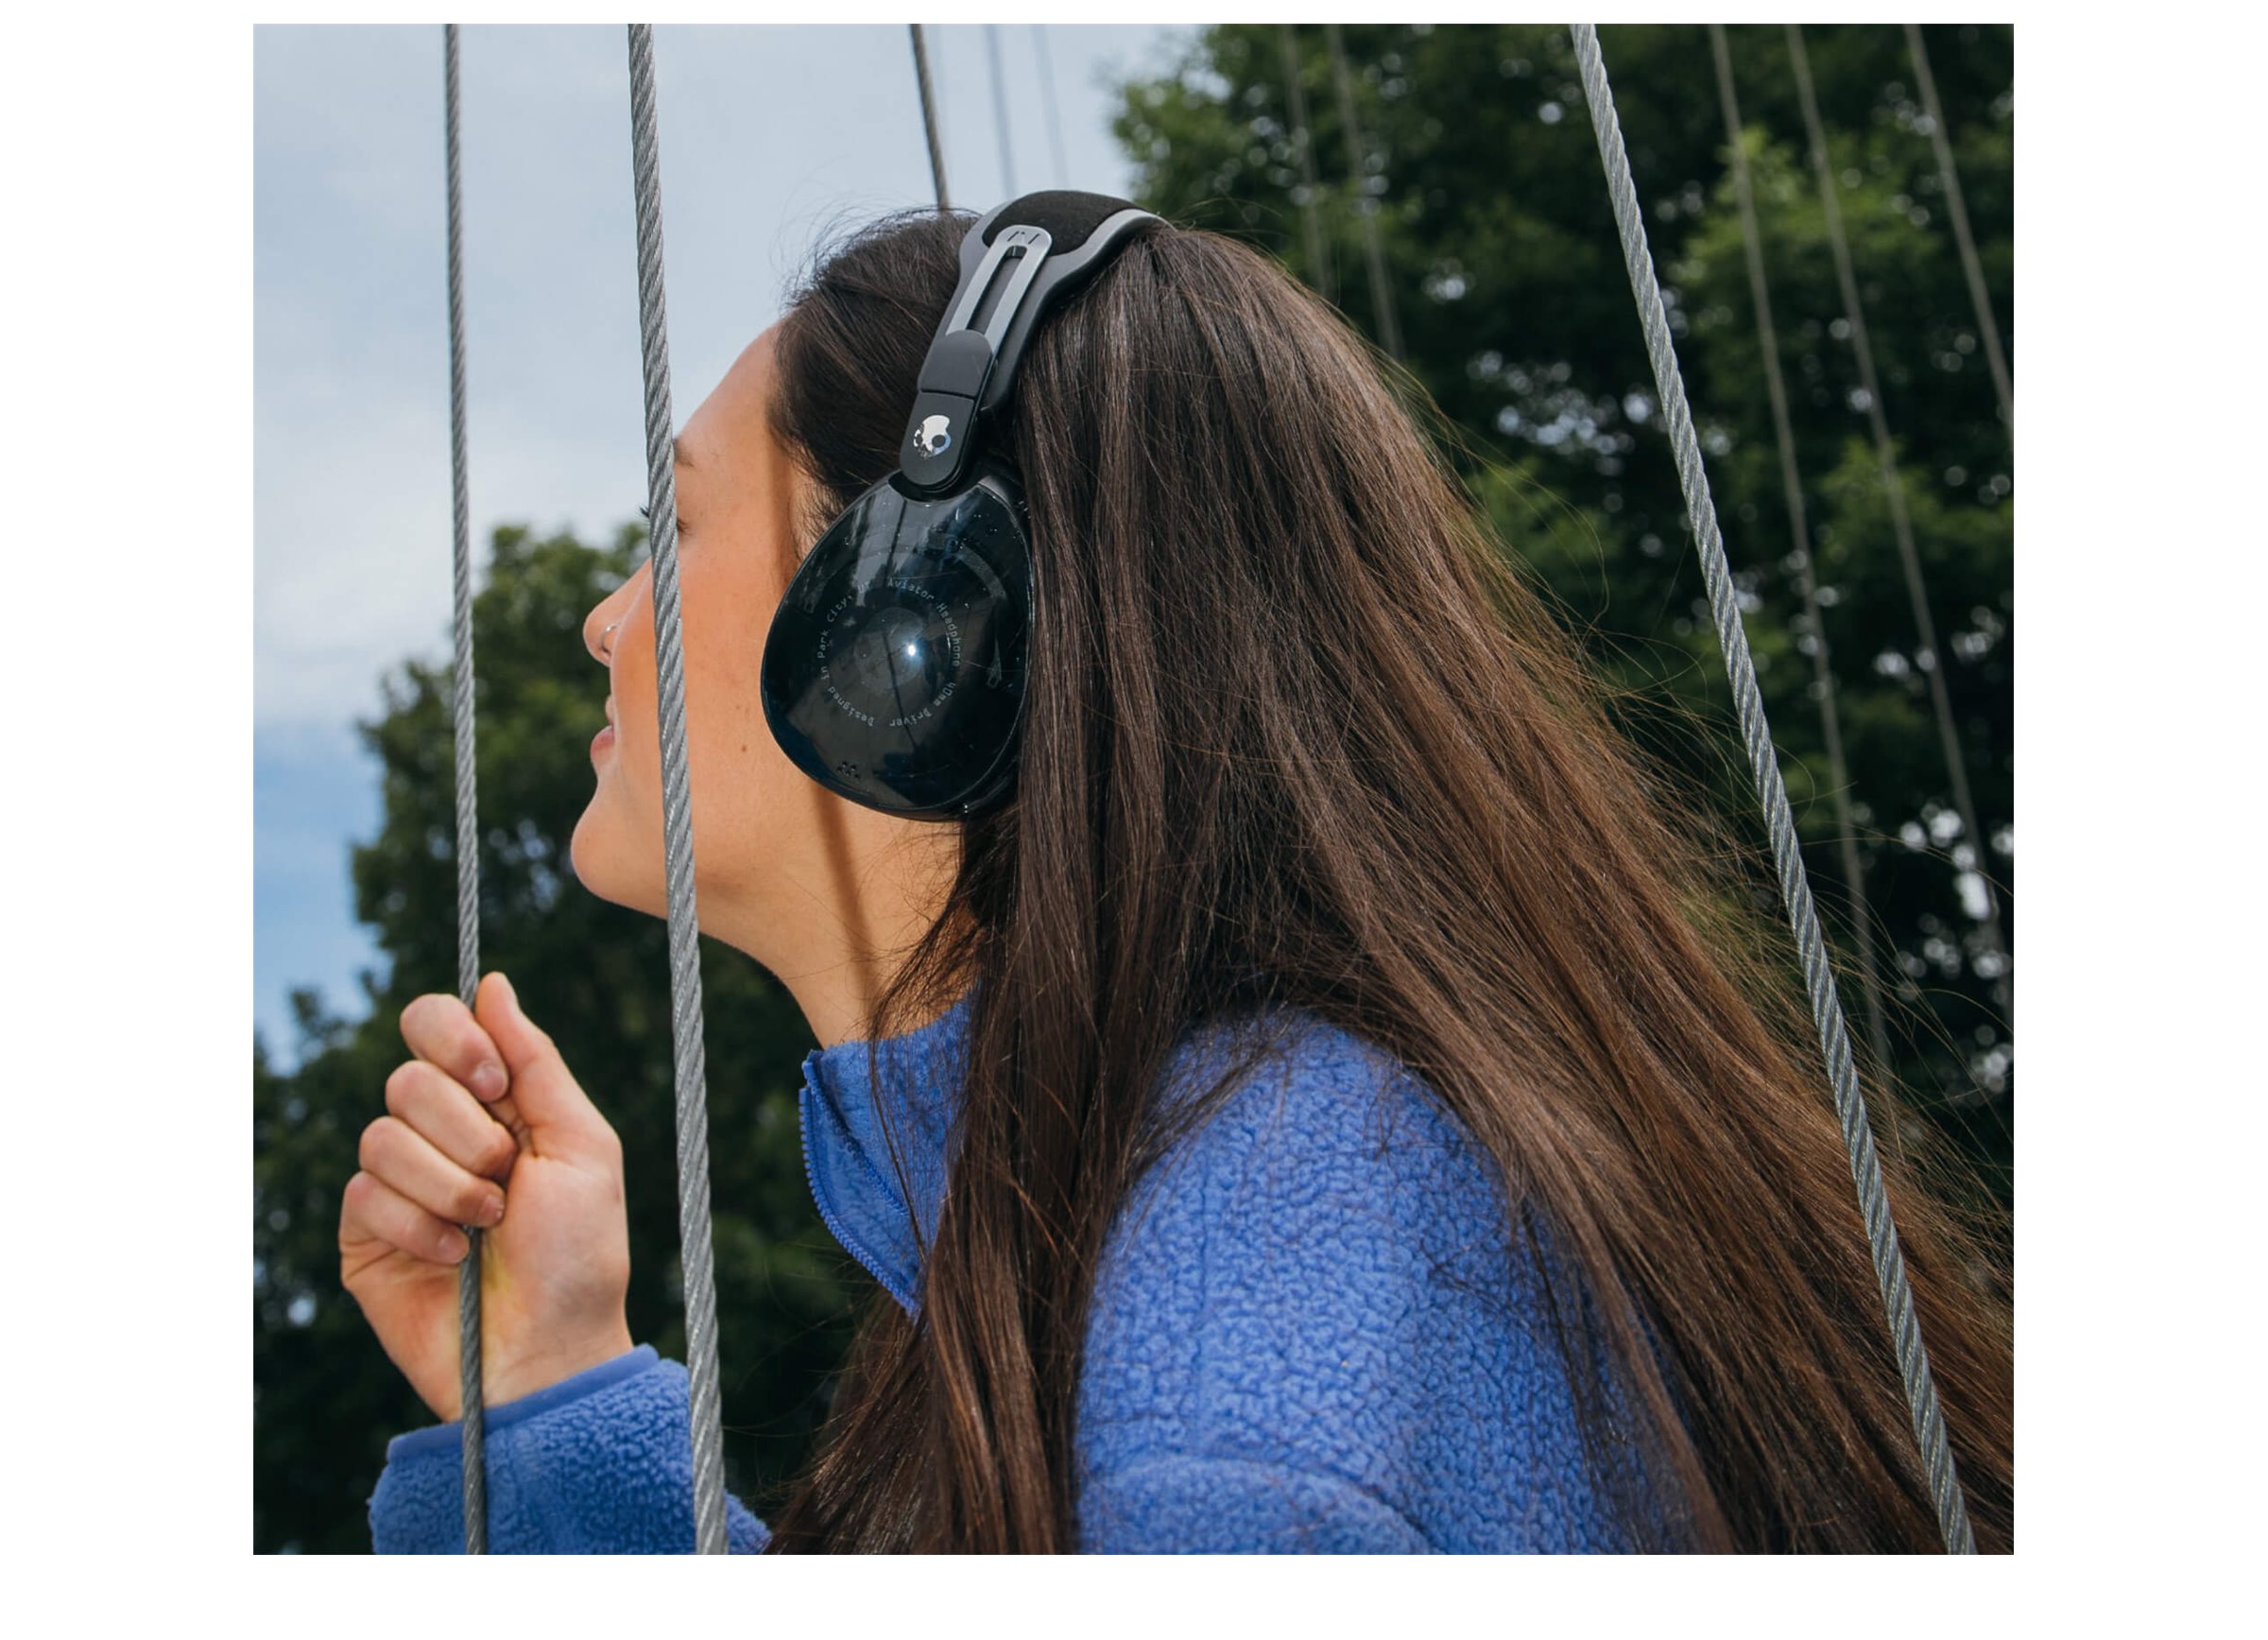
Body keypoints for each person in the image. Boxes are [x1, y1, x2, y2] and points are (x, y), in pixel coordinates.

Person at [339, 199, 2014, 1553]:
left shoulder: (1244, 1367)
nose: (603, 619)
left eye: (676, 527)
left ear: (915, 625)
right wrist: (550, 1391)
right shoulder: (1208, 1208)